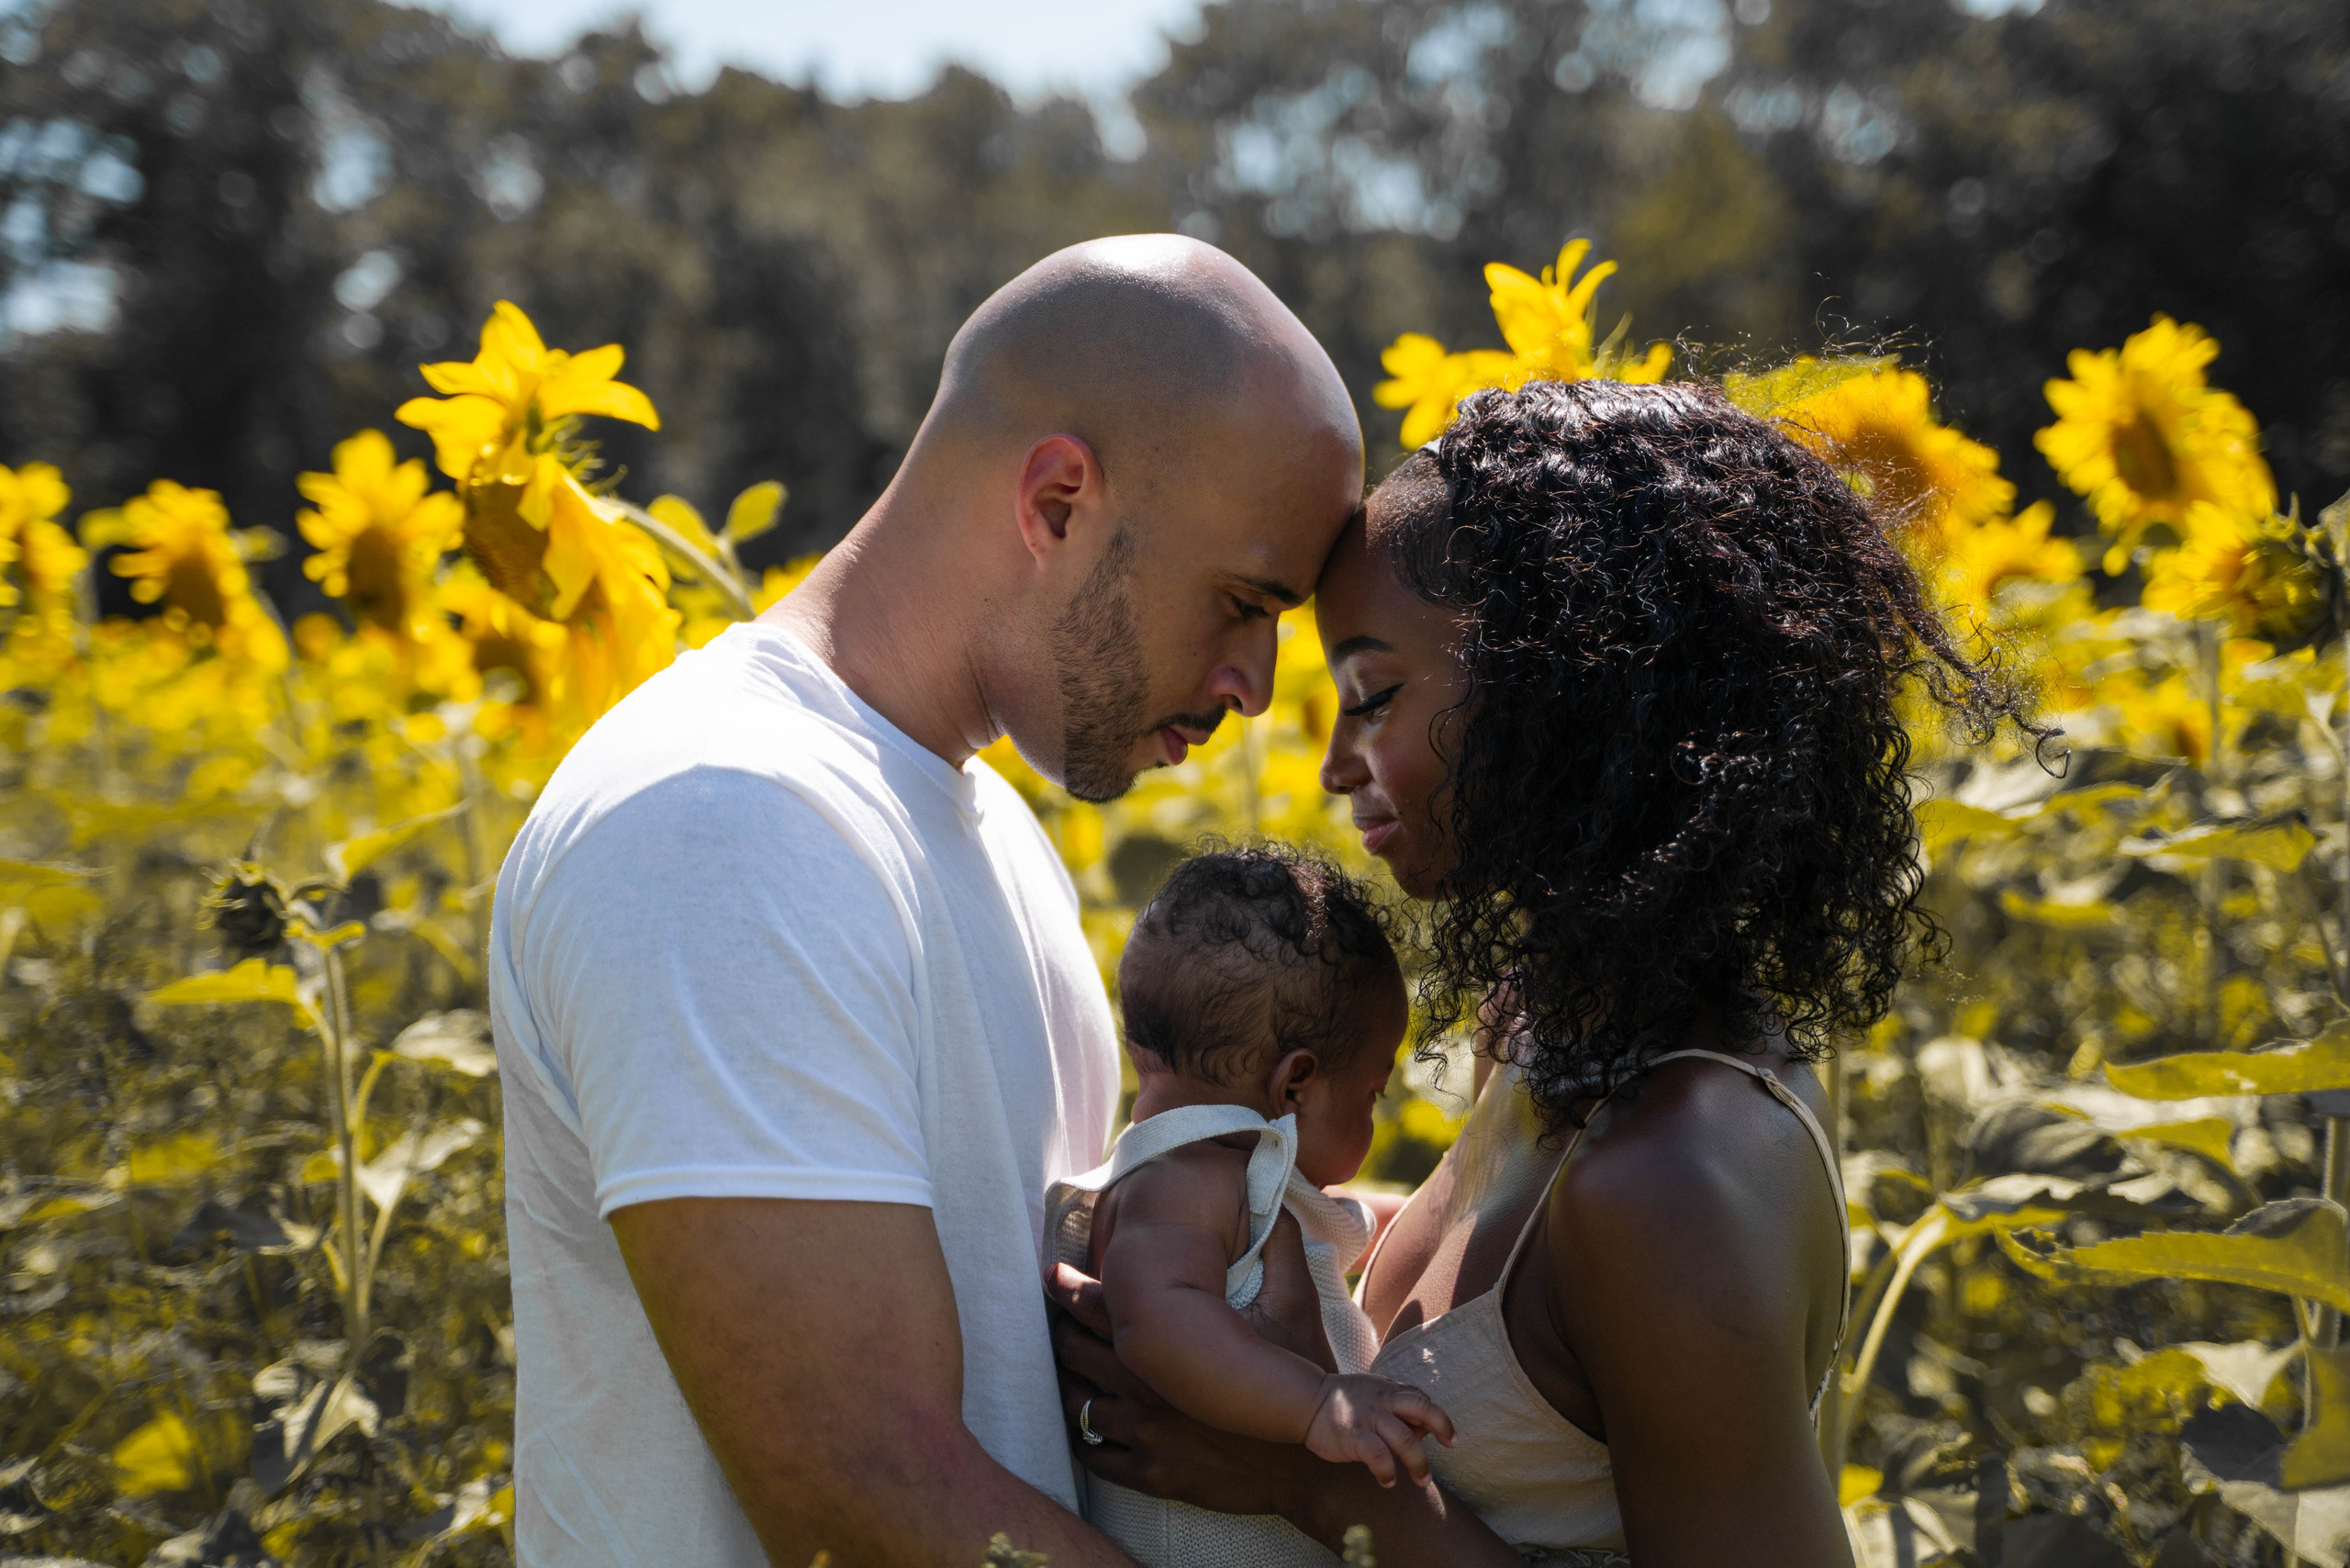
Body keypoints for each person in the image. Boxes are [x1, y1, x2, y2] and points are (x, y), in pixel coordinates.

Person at [487, 234, 1363, 1568]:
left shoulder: (987, 831)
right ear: (1059, 500)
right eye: (1242, 602)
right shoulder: (726, 817)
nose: (1254, 683)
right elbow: (872, 1501)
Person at [1052, 377, 2029, 1566]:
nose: (1333, 767)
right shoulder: (1549, 1027)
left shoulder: (1668, 1179)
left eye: (1373, 697)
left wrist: (1300, 1481)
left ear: (1564, 687)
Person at [1046, 845, 1453, 1567]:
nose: (1373, 1114)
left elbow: (1298, 1221)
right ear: (1294, 1086)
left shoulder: (1217, 1175)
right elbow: (1157, 1322)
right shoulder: (1183, 1182)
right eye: (1372, 1095)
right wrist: (1317, 1402)